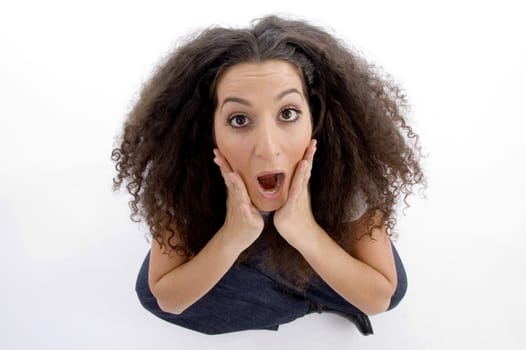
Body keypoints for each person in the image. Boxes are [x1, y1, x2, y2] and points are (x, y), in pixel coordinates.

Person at [112, 15, 424, 335]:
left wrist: (303, 231)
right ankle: (308, 300)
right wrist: (232, 237)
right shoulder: (179, 170)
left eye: (287, 114)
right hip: (237, 241)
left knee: (391, 288)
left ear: (314, 117)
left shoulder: (346, 167)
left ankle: (289, 287)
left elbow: (379, 297)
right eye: (239, 120)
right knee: (150, 293)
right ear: (208, 127)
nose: (268, 148)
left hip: (318, 238)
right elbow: (168, 299)